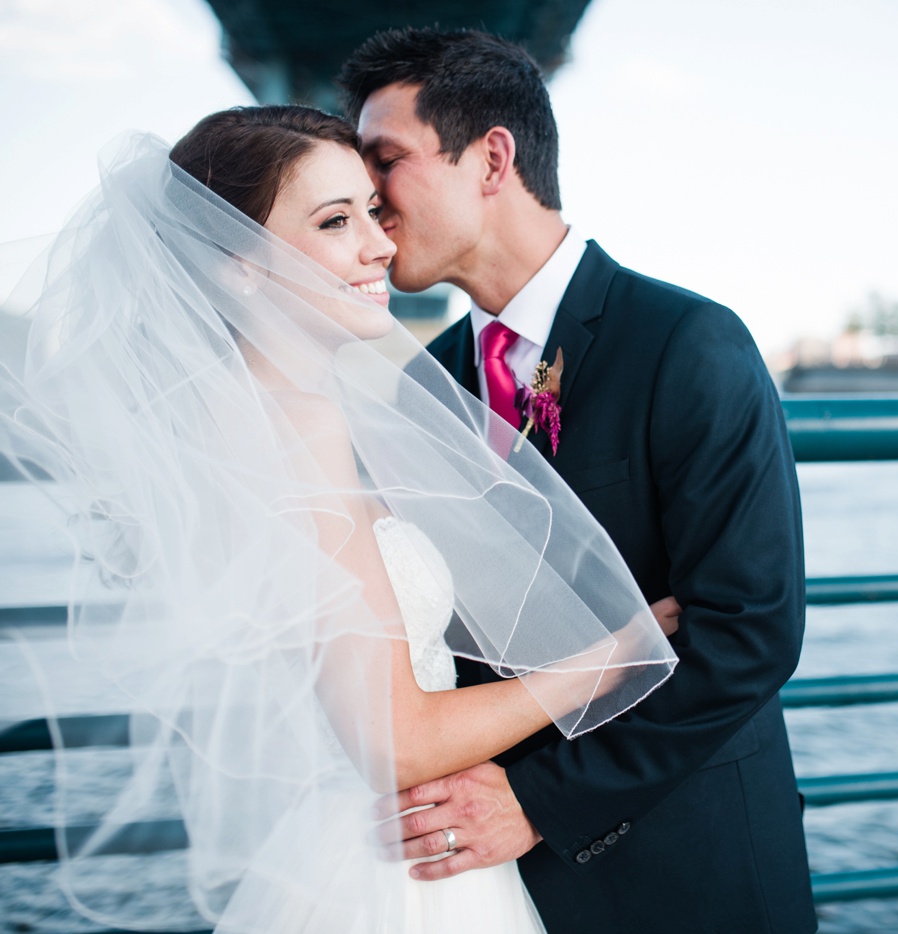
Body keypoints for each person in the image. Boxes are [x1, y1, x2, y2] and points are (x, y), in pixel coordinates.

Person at [0, 106, 677, 933]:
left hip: (331, 852)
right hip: (393, 874)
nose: (380, 243)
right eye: (335, 220)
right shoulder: (302, 426)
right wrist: (616, 654)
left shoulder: (243, 416)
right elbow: (398, 743)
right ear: (233, 265)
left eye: (370, 208)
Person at [339, 28, 817, 934]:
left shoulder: (688, 343)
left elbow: (749, 634)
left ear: (491, 157)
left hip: (687, 858)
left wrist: (537, 803)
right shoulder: (417, 384)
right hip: (490, 877)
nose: (369, 198)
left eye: (386, 160)